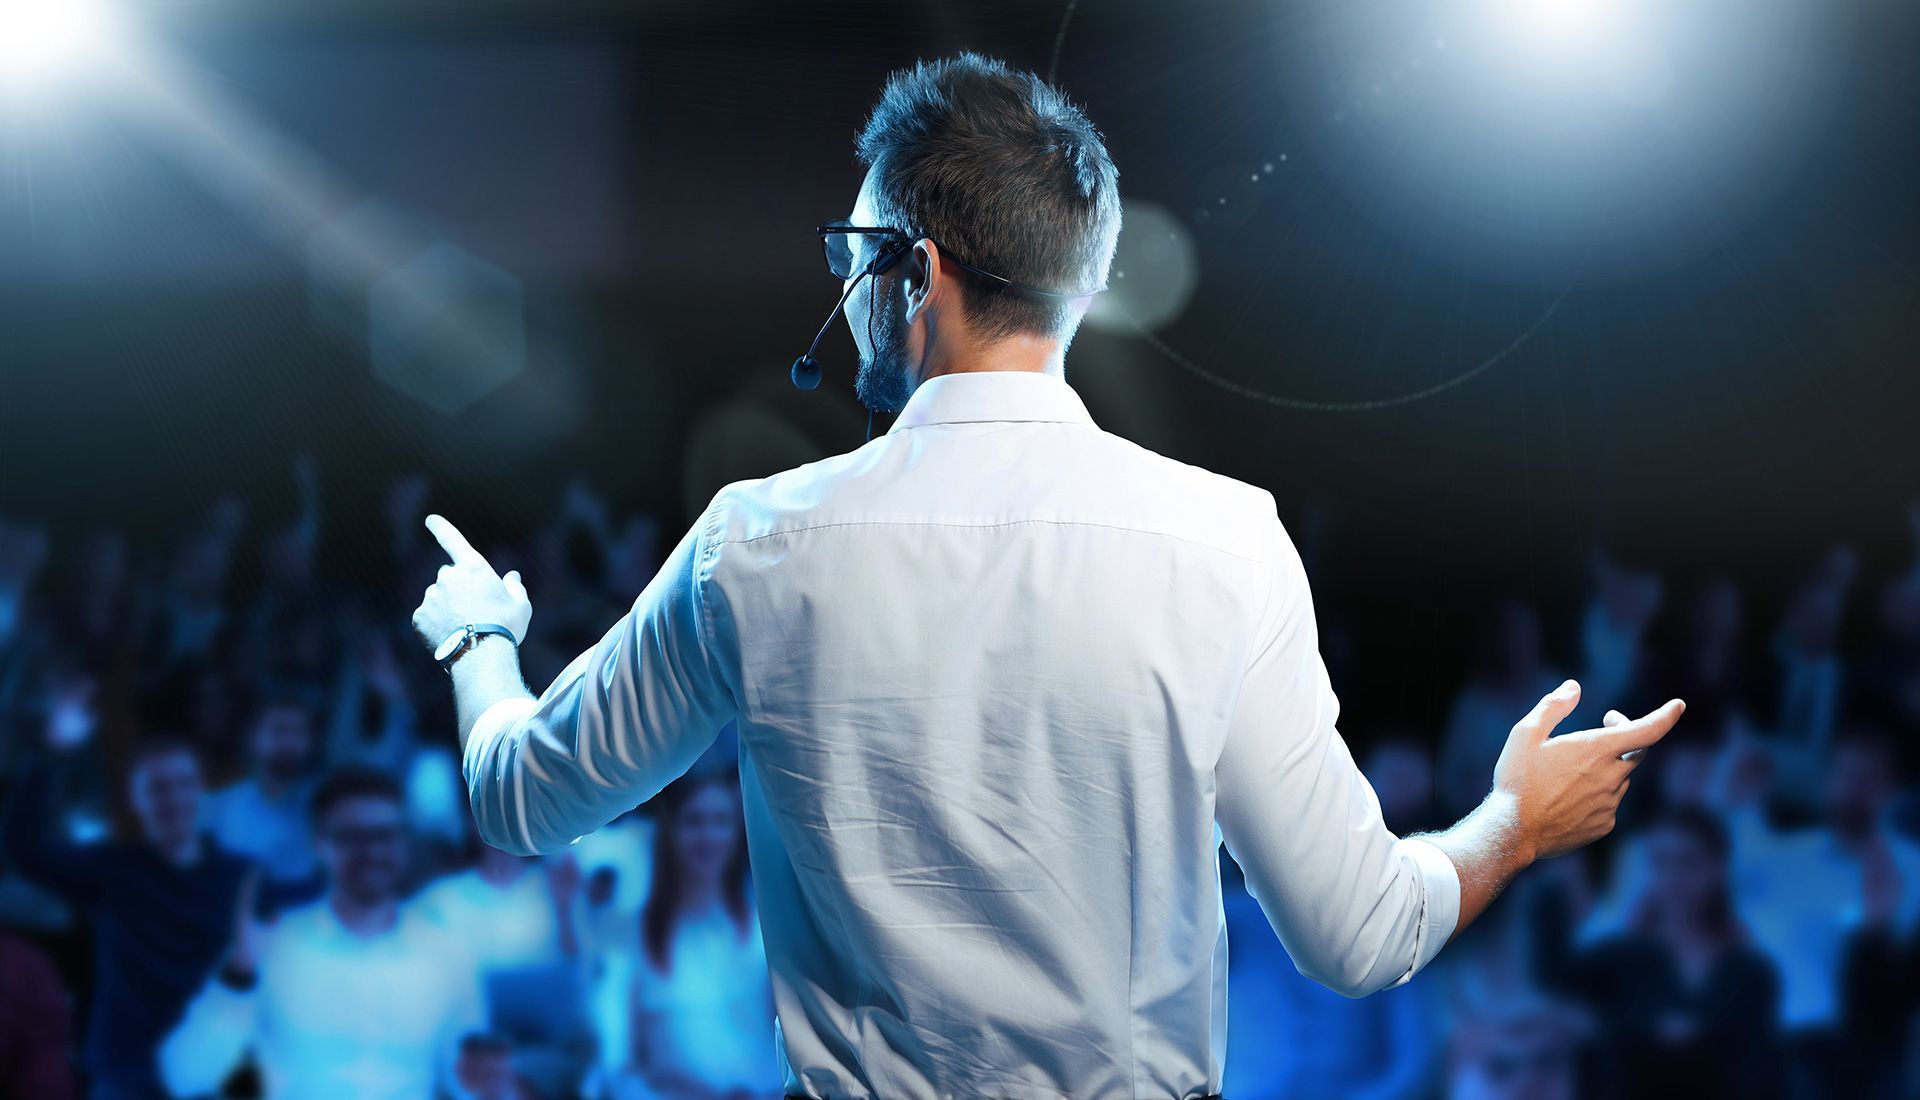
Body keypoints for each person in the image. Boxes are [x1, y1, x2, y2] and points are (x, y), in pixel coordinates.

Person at [411, 52, 1685, 1099]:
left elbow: (524, 798)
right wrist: (1514, 819)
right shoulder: (1226, 541)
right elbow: (1359, 937)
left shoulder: (756, 546)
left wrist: (478, 638)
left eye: (855, 256)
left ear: (913, 271)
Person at [159, 767, 484, 1100]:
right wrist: (238, 974)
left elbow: (470, 1081)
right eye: (352, 837)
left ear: (403, 844)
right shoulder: (273, 943)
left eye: (384, 835)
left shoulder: (447, 952)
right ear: (319, 844)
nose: (371, 852)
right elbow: (185, 1075)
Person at [1, 685, 249, 1100]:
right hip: (124, 1078)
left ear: (202, 791)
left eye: (184, 783)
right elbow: (24, 850)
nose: (173, 798)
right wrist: (54, 751)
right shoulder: (112, 869)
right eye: (157, 787)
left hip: (210, 1078)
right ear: (135, 800)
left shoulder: (243, 879)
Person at [1530, 807, 1783, 1099]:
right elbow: (1553, 985)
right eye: (1662, 863)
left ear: (1715, 868)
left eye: (1688, 862)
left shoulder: (1749, 972)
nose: (1674, 877)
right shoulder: (1618, 960)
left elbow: (1760, 1075)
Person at [593, 772, 774, 1100]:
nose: (708, 835)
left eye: (721, 821)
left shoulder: (765, 926)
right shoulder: (632, 933)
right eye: (693, 821)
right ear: (670, 833)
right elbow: (616, 1064)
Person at [199, 690, 323, 895]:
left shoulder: (325, 807)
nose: (289, 741)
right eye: (278, 729)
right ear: (254, 738)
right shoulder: (216, 805)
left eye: (299, 731)